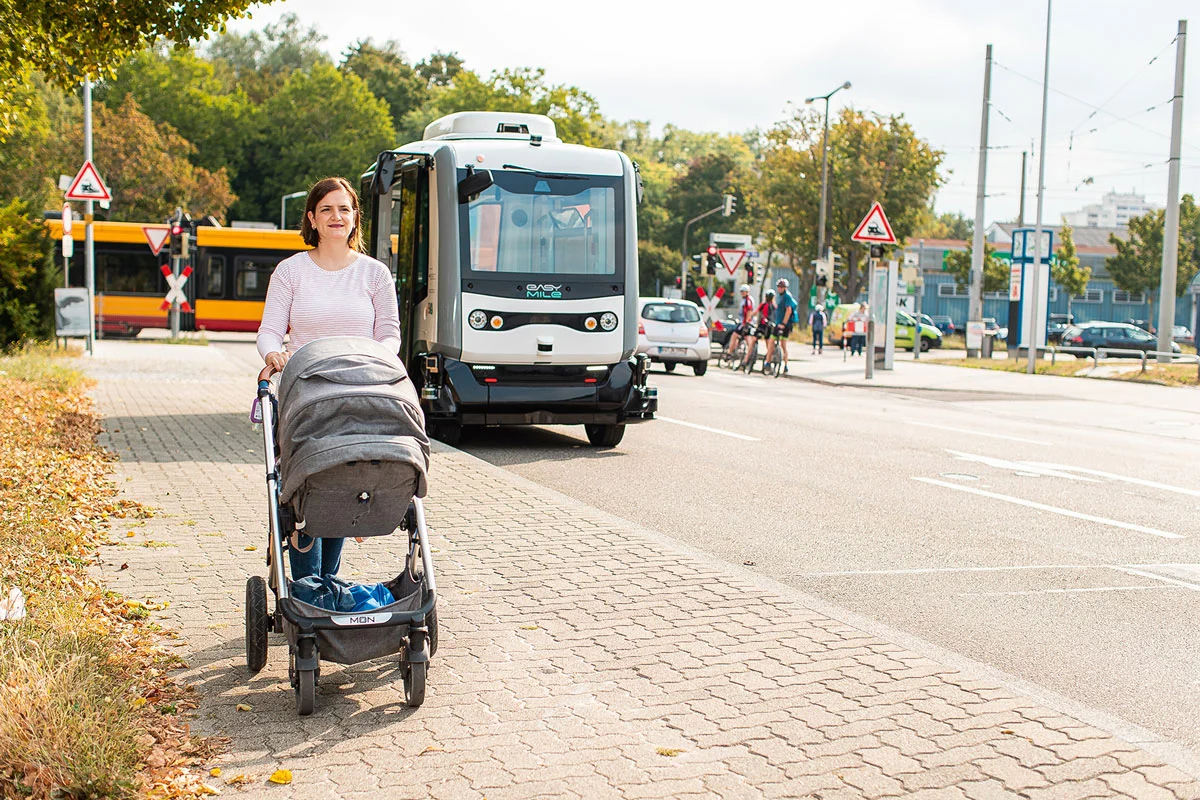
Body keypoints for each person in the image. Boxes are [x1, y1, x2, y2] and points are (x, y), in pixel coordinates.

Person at [256, 176, 401, 580]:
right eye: (326, 209)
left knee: (345, 480)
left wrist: (379, 358)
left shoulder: (375, 274)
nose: (336, 216)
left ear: (355, 217)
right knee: (308, 482)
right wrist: (273, 354)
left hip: (360, 390)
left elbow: (389, 333)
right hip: (306, 394)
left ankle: (325, 585)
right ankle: (308, 586)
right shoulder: (291, 272)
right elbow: (269, 330)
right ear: (312, 219)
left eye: (344, 209)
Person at [767, 278, 798, 373]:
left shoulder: (786, 296)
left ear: (785, 288)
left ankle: (768, 363)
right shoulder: (781, 297)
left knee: (772, 341)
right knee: (783, 344)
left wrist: (783, 323)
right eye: (779, 286)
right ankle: (785, 366)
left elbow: (788, 310)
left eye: (782, 287)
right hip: (781, 323)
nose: (780, 288)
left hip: (783, 324)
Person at [722, 284, 755, 363]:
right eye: (741, 292)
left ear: (747, 292)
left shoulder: (747, 300)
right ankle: (750, 356)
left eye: (744, 292)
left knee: (734, 335)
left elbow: (749, 311)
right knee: (747, 338)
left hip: (744, 322)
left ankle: (729, 353)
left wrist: (746, 322)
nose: (742, 293)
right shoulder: (748, 299)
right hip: (747, 322)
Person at [744, 289, 775, 372]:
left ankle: (746, 360)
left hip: (762, 326)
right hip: (768, 327)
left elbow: (755, 312)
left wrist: (749, 319)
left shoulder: (765, 305)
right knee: (768, 344)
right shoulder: (773, 306)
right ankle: (768, 361)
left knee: (753, 341)